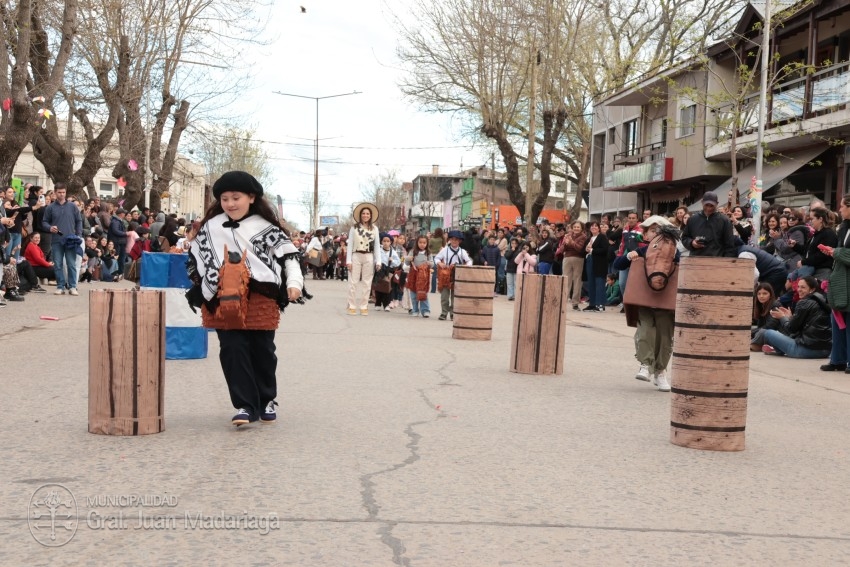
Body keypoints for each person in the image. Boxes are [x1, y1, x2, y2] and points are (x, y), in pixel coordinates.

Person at [186, 171, 303, 426]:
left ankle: (266, 399)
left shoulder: (266, 227)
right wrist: (208, 281)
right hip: (223, 294)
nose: (230, 203)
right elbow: (197, 259)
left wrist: (294, 284)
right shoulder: (210, 227)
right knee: (232, 349)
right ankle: (245, 406)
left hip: (261, 296)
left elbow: (289, 257)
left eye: (236, 197)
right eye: (225, 198)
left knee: (263, 351)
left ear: (251, 197)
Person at [613, 215, 681, 391]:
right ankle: (645, 364)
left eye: (658, 229)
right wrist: (628, 256)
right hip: (644, 300)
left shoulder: (674, 252)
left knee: (665, 337)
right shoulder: (641, 250)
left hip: (665, 302)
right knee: (645, 331)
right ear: (645, 234)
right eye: (651, 230)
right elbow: (617, 264)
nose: (655, 233)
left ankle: (660, 372)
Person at [762, 276, 831, 358]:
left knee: (767, 333)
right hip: (826, 351)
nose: (799, 290)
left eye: (803, 287)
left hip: (806, 350)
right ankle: (778, 349)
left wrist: (782, 317)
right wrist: (791, 317)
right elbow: (804, 326)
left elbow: (791, 329)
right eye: (798, 286)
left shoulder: (804, 303)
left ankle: (779, 350)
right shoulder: (821, 301)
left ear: (812, 290)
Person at [822, 195, 850, 372]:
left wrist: (837, 252)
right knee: (836, 320)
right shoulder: (843, 227)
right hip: (839, 279)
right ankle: (837, 359)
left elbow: (844, 253)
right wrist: (833, 252)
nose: (839, 209)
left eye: (842, 206)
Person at [40, 183, 83, 296]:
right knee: (58, 264)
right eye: (59, 192)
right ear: (55, 192)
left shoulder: (73, 206)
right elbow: (44, 222)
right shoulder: (50, 207)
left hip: (70, 240)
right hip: (56, 239)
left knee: (71, 264)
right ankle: (60, 286)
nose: (62, 194)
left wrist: (78, 235)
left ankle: (73, 286)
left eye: (63, 192)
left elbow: (79, 221)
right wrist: (50, 227)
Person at [346, 202, 382, 315]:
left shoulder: (374, 229)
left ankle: (363, 306)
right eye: (363, 213)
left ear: (370, 215)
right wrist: (348, 260)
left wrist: (378, 260)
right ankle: (351, 305)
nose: (365, 215)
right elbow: (350, 244)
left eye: (367, 213)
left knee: (367, 283)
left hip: (369, 256)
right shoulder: (354, 228)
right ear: (360, 215)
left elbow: (376, 245)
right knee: (353, 282)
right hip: (356, 255)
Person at [681, 192, 736, 257]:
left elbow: (730, 245)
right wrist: (691, 243)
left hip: (717, 261)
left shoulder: (724, 220)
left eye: (711, 206)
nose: (709, 208)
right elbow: (685, 238)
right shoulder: (692, 219)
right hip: (696, 260)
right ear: (702, 202)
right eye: (706, 205)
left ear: (717, 204)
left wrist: (726, 263)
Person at [434, 230, 473, 320]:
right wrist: (440, 263)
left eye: (456, 239)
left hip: (458, 274)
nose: (454, 241)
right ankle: (444, 312)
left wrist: (466, 265)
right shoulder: (444, 250)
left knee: (455, 296)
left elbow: (469, 261)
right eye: (452, 239)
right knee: (444, 296)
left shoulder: (462, 252)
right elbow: (436, 258)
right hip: (446, 274)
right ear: (450, 240)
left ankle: (453, 313)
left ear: (460, 241)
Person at [797, 207, 836, 281]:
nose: (810, 221)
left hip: (822, 272)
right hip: (812, 269)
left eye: (812, 219)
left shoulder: (828, 234)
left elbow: (821, 255)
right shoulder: (816, 234)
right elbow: (807, 251)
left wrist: (803, 262)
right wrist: (795, 246)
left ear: (820, 219)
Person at [406, 235, 432, 317]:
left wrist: (429, 263)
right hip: (413, 275)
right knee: (413, 293)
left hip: (423, 276)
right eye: (420, 242)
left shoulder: (428, 253)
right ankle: (415, 310)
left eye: (424, 243)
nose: (422, 244)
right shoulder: (413, 251)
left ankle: (425, 310)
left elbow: (432, 263)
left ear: (427, 243)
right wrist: (408, 258)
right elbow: (406, 262)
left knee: (423, 293)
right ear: (417, 243)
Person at [373, 233, 401, 311]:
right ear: (381, 242)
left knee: (388, 288)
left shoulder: (393, 252)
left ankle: (386, 304)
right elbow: (374, 259)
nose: (386, 243)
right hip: (379, 271)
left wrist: (392, 261)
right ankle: (378, 303)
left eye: (388, 241)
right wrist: (377, 264)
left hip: (389, 271)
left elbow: (398, 262)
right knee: (378, 287)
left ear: (390, 242)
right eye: (384, 241)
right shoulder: (378, 251)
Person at [751, 282, 782, 351]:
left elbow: (770, 326)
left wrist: (752, 332)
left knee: (761, 332)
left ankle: (752, 345)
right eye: (759, 294)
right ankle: (755, 345)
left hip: (776, 333)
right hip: (765, 333)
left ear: (770, 295)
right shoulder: (761, 306)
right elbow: (760, 326)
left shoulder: (775, 305)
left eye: (765, 293)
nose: (761, 296)